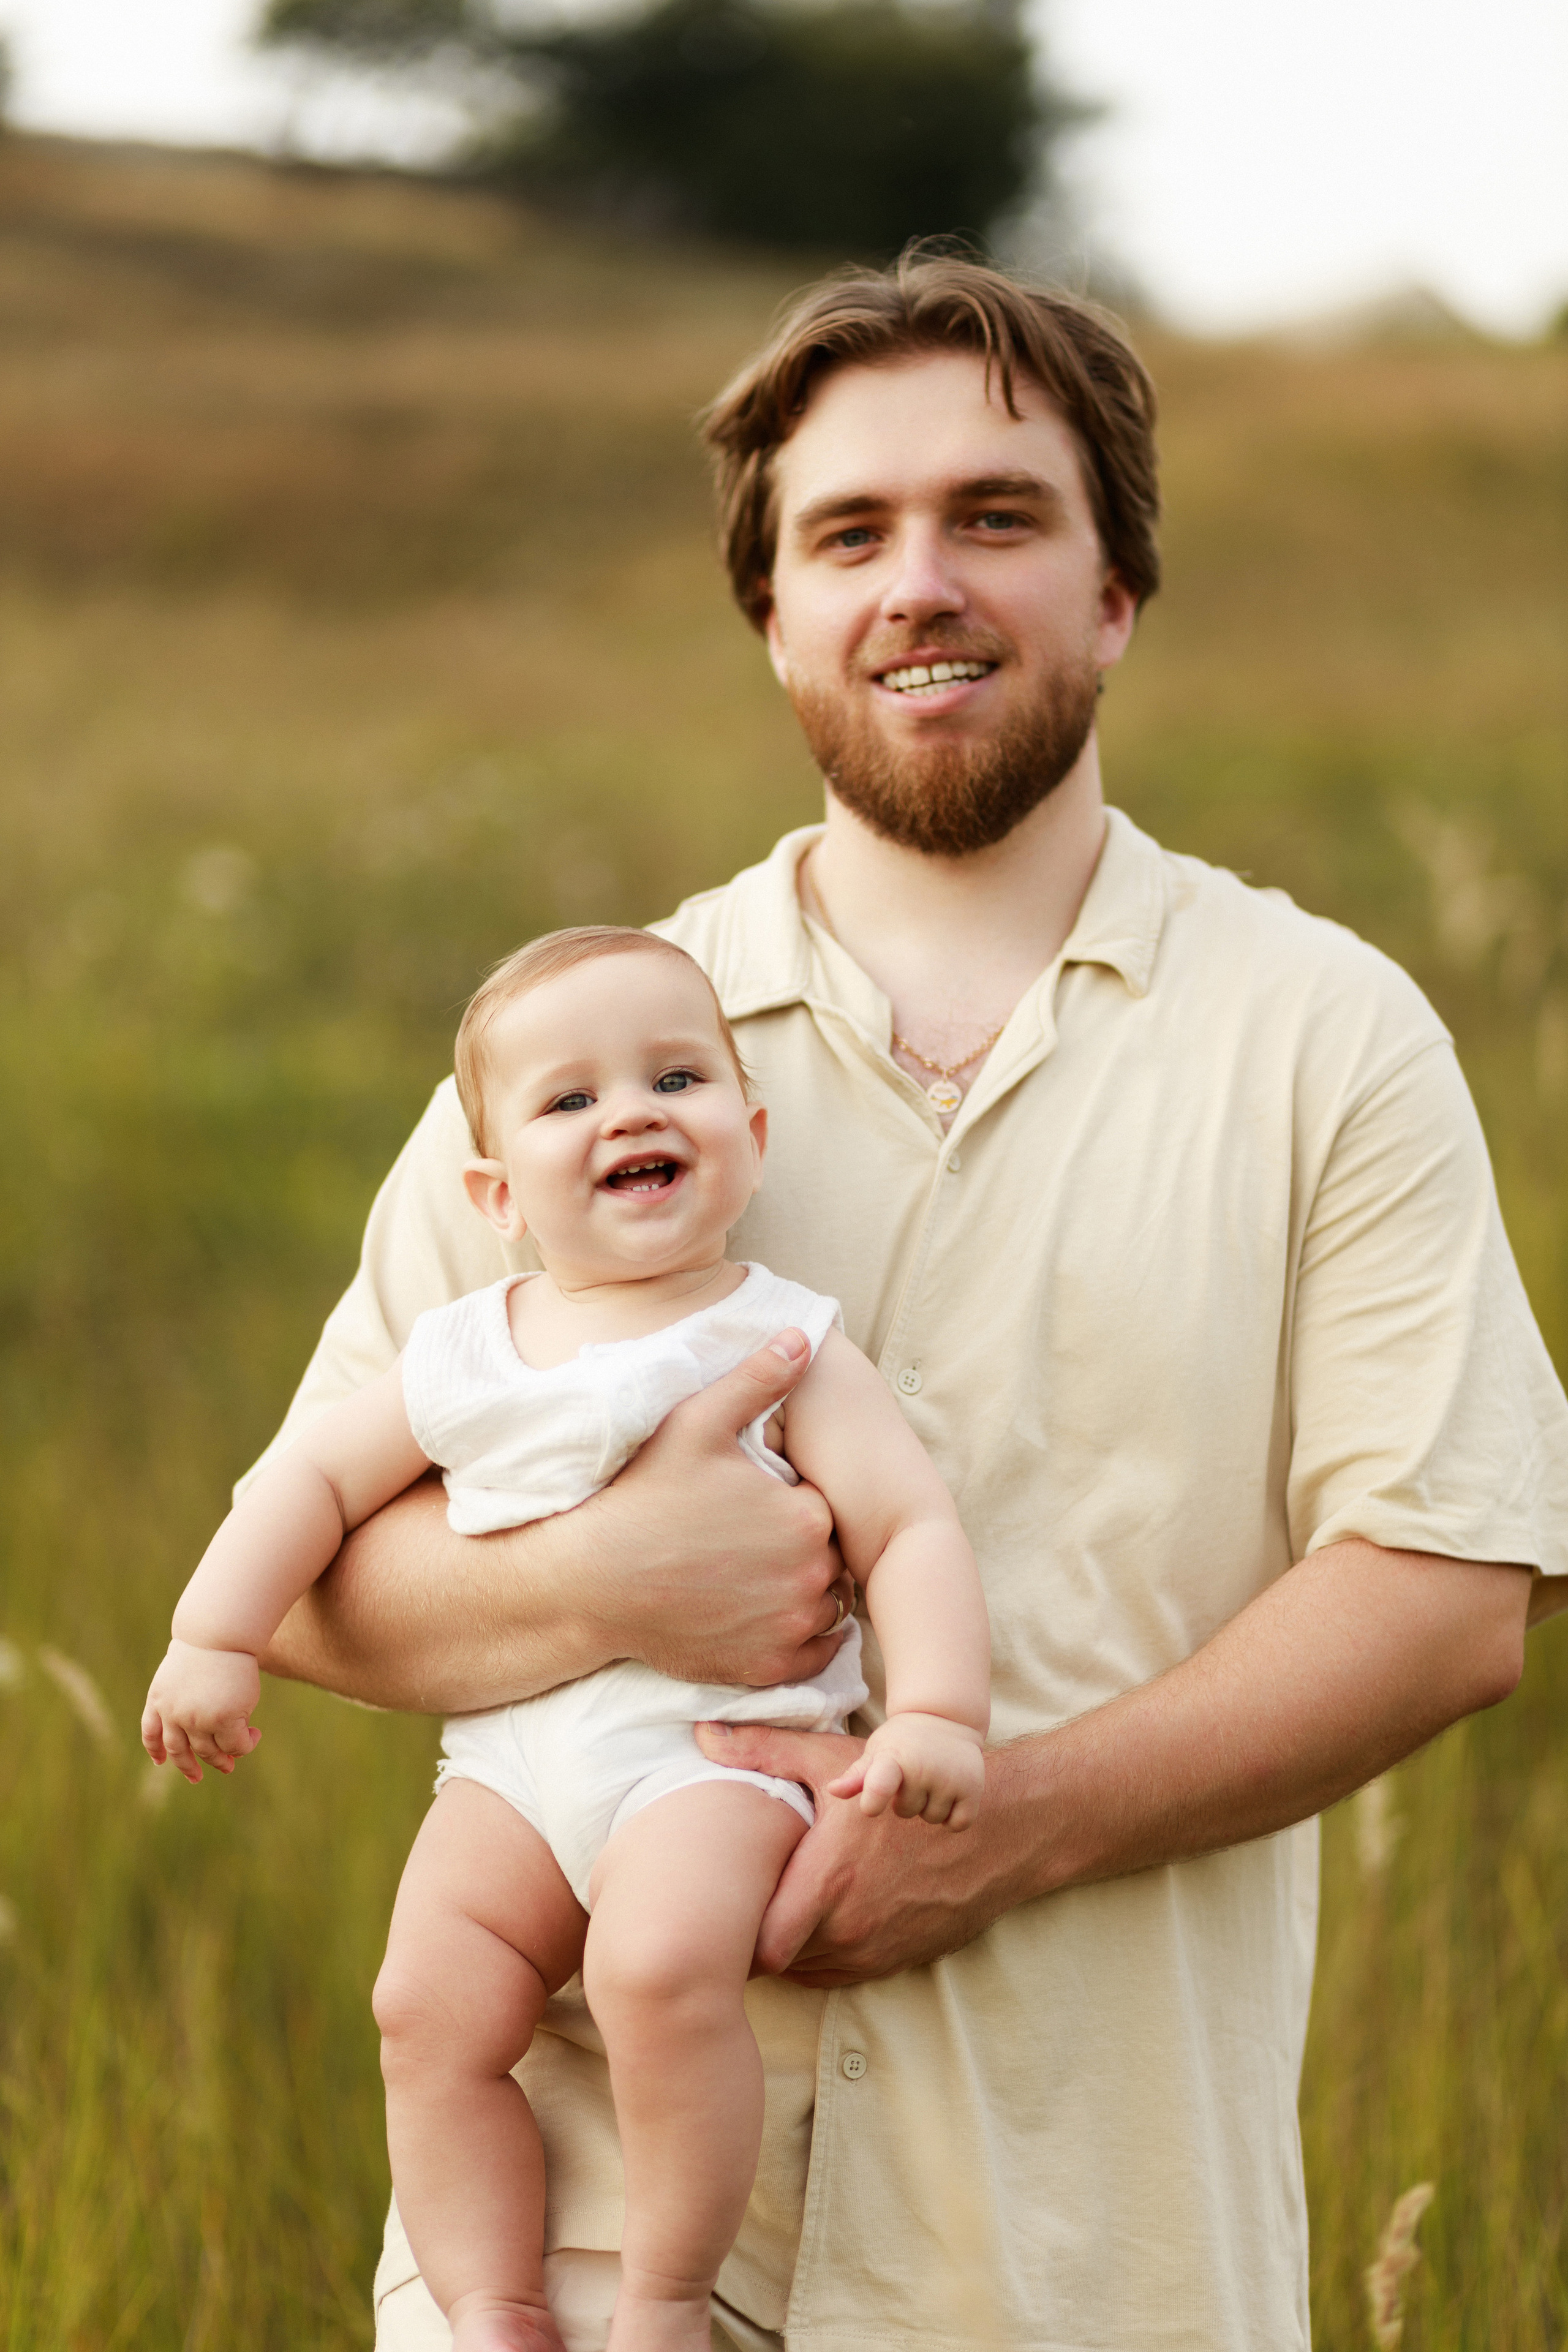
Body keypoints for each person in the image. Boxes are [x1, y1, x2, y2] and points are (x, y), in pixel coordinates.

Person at [250, 249, 1568, 2352]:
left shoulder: (1327, 1034)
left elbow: (1449, 1586)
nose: (916, 584)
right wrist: (616, 1580)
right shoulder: (582, 1058)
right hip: (590, 2268)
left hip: (1085, 2255)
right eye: (847, 534)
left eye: (998, 519)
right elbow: (311, 1575)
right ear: (772, 614)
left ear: (1118, 590)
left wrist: (1003, 1827)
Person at [143, 925, 990, 2352]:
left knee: (654, 1971)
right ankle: (492, 2307)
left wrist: (934, 1716)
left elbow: (909, 1529)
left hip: (705, 1756)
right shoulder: (468, 1349)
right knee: (422, 2007)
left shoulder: (777, 1339)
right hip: (508, 1766)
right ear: (497, 1194)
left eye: (675, 1077)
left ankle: (663, 2300)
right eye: (570, 1101)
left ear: (750, 1132)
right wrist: (212, 1636)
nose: (633, 1113)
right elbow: (304, 1483)